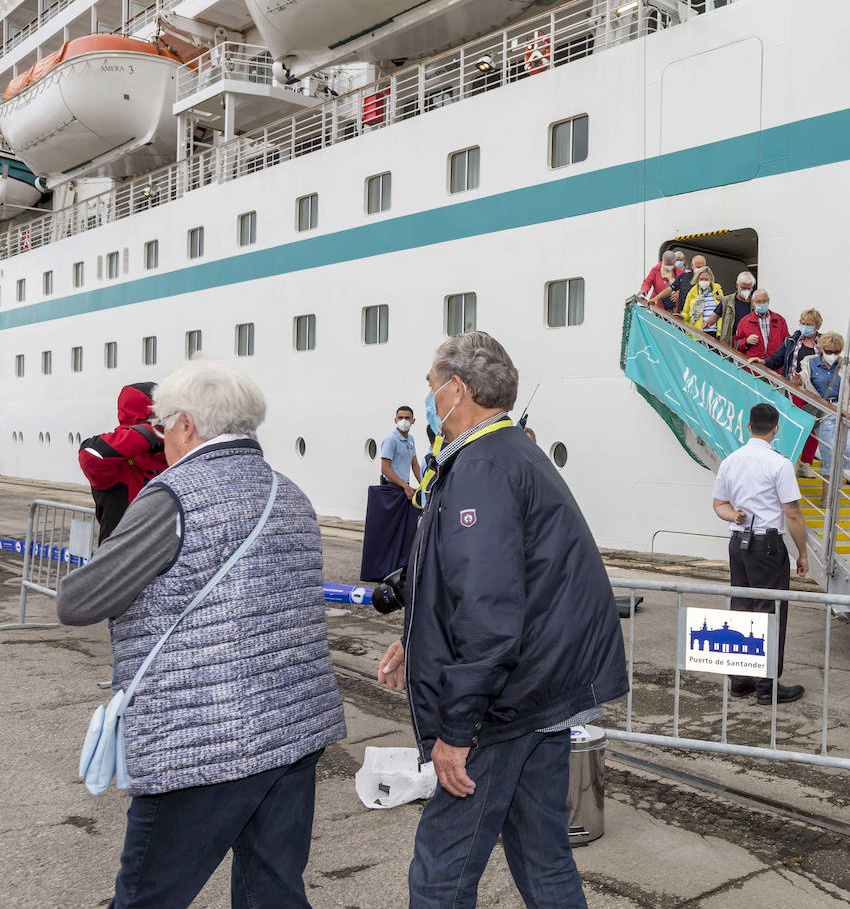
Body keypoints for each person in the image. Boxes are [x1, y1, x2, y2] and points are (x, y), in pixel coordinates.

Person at [55, 360, 346, 907]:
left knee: (148, 896)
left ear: (186, 425)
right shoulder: (292, 495)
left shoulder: (174, 497)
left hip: (200, 741)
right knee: (273, 893)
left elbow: (78, 601)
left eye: (165, 425)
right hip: (294, 731)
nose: (162, 438)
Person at [378, 331, 628, 908]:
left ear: (457, 388)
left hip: (504, 704)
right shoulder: (511, 453)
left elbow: (489, 610)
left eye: (432, 388)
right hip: (541, 694)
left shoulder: (483, 467)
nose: (430, 401)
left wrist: (457, 731)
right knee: (543, 858)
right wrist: (414, 637)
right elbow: (487, 580)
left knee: (441, 871)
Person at [711, 403, 810, 704]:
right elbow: (792, 515)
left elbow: (719, 505)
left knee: (741, 608)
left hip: (738, 545)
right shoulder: (779, 464)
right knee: (770, 612)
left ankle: (740, 680)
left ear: (748, 426)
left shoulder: (730, 461)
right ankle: (767, 687)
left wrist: (735, 516)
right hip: (767, 547)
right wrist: (802, 554)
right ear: (776, 429)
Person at [77, 382, 168, 542]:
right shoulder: (118, 462)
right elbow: (91, 455)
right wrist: (158, 428)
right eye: (159, 415)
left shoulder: (171, 454)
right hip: (121, 558)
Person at [801, 332, 850, 496]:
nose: (832, 355)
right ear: (821, 348)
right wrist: (798, 380)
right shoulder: (810, 363)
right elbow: (803, 378)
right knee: (829, 454)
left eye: (836, 352)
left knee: (846, 451)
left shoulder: (844, 367)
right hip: (824, 412)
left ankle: (833, 494)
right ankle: (828, 498)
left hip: (842, 413)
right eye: (829, 351)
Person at [360, 405, 422, 581]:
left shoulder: (410, 440)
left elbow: (415, 465)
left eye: (407, 418)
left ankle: (400, 568)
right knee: (388, 533)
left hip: (405, 490)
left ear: (413, 421)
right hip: (393, 490)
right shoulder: (391, 440)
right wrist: (404, 486)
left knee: (406, 532)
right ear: (395, 420)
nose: (404, 421)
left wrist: (424, 485)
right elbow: (385, 468)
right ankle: (381, 570)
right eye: (400, 417)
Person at [761, 307, 822, 468]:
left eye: (809, 324)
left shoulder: (823, 344)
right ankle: (787, 459)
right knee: (790, 425)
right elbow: (777, 359)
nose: (804, 326)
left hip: (815, 393)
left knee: (812, 429)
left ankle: (806, 463)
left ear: (817, 326)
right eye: (802, 323)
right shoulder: (792, 341)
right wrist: (763, 362)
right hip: (793, 391)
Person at [733, 288, 788, 361]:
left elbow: (787, 343)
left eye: (764, 301)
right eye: (758, 301)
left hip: (774, 366)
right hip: (753, 367)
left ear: (768, 301)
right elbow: (735, 344)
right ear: (753, 303)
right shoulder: (744, 322)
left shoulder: (779, 320)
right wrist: (746, 341)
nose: (762, 304)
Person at [682, 265, 725, 338]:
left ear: (710, 279)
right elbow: (686, 312)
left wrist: (724, 300)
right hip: (698, 332)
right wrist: (682, 316)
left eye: (706, 279)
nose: (704, 281)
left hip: (715, 333)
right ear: (697, 279)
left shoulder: (717, 290)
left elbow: (723, 309)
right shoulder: (692, 293)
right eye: (701, 279)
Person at [719, 270, 756, 342]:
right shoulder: (726, 301)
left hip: (749, 344)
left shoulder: (755, 304)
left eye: (749, 288)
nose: (746, 290)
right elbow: (710, 321)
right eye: (743, 288)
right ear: (737, 285)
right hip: (729, 345)